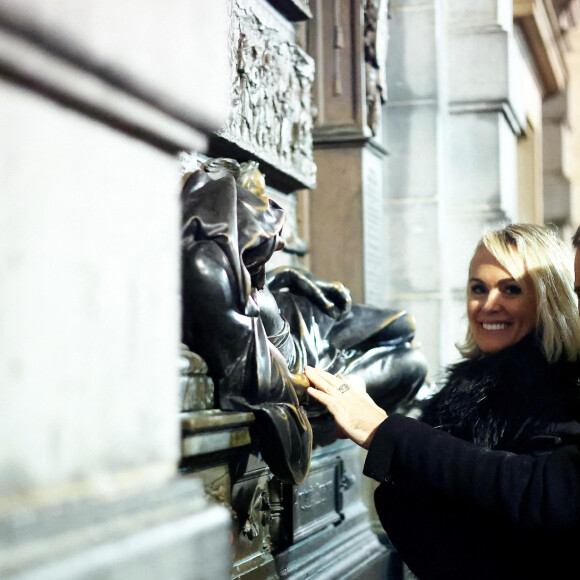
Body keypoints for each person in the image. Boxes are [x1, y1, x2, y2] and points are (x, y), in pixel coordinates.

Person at [306, 223, 580, 580]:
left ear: (549, 298)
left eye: (511, 290)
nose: (487, 305)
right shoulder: (466, 390)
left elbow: (533, 496)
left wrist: (383, 430)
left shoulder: (560, 390)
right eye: (478, 288)